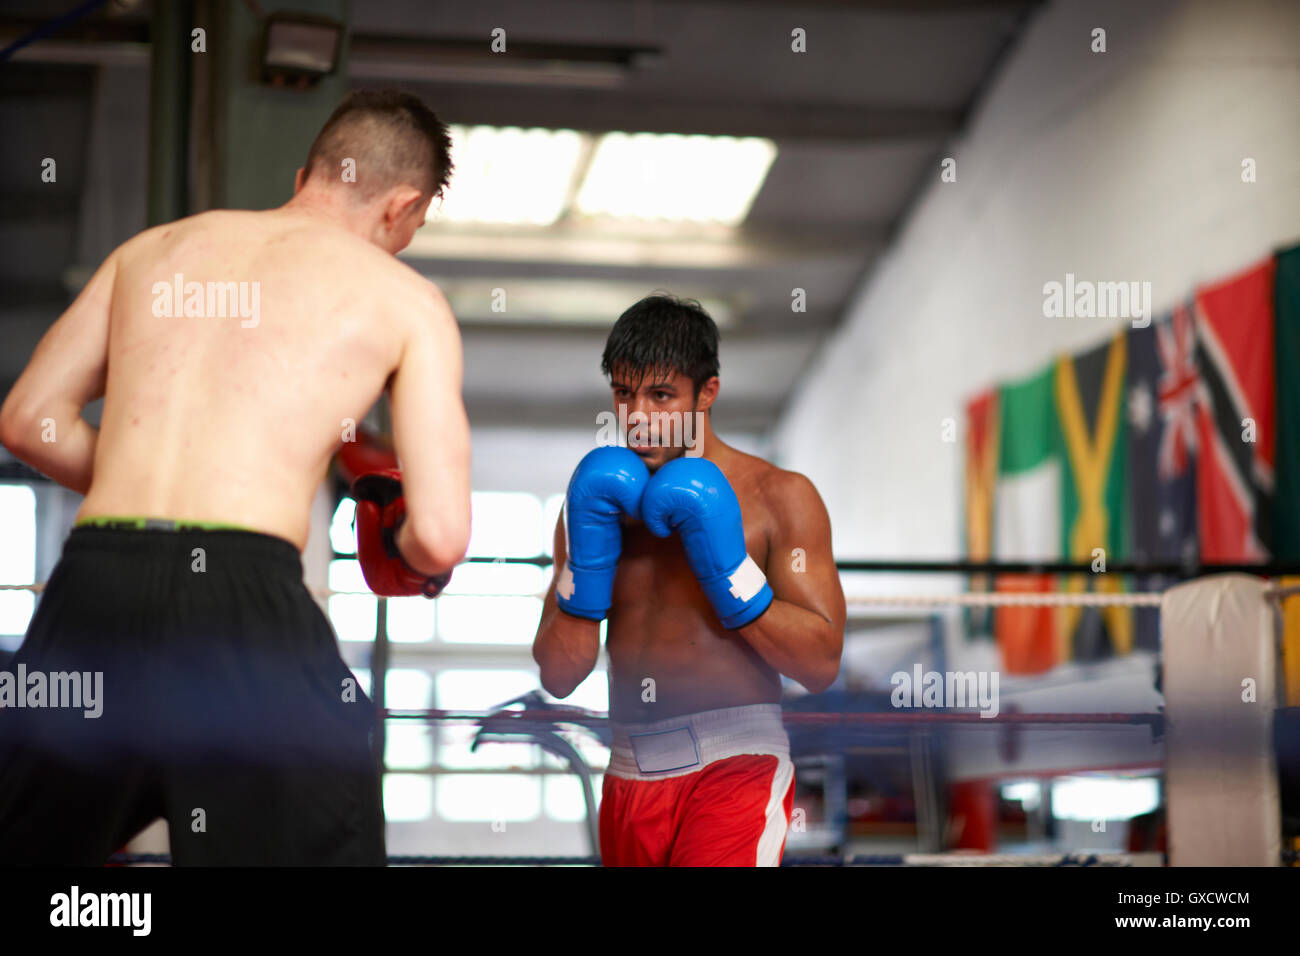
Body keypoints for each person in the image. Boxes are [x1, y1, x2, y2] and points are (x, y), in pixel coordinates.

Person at [0, 89, 471, 865]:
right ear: (403, 207)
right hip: (242, 599)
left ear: (304, 176)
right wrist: (404, 546)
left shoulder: (149, 253)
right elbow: (442, 533)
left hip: (93, 586)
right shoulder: (407, 301)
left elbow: (26, 420)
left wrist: (132, 477)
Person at [532, 294, 846, 866]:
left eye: (661, 395)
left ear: (708, 393)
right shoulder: (592, 503)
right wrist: (586, 566)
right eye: (624, 394)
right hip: (629, 773)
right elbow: (558, 674)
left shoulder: (779, 498)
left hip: (736, 766)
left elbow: (821, 665)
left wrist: (729, 573)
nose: (639, 417)